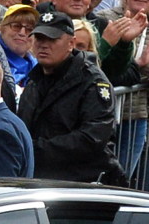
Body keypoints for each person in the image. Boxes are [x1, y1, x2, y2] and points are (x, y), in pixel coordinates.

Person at [17, 11, 123, 185]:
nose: (44, 45)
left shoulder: (93, 82)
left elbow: (91, 139)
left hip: (84, 183)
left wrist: (34, 149)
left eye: (52, 39)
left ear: (71, 43)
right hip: (42, 180)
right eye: (39, 39)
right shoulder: (34, 82)